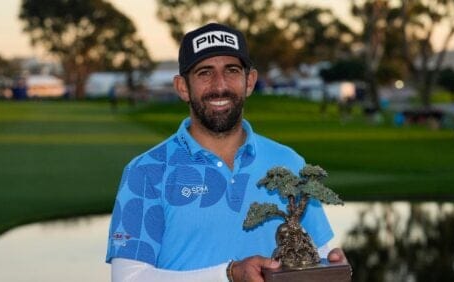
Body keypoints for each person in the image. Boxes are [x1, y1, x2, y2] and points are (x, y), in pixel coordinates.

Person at [106, 23, 347, 282]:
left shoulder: (288, 162)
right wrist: (229, 275)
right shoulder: (146, 172)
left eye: (231, 71)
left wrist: (329, 267)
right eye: (204, 73)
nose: (219, 85)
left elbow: (317, 257)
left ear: (250, 81)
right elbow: (128, 278)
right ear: (182, 87)